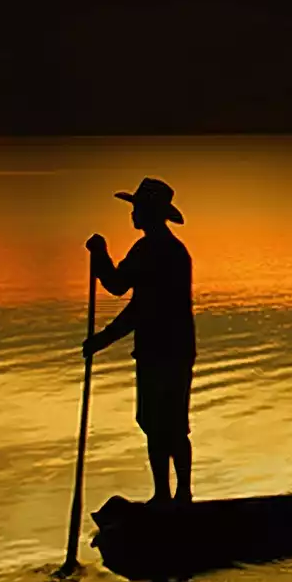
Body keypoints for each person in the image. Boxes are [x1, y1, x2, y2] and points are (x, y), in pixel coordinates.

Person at [84, 177, 197, 505]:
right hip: (155, 349)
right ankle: (165, 493)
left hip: (170, 350)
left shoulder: (166, 252)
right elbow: (121, 287)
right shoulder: (147, 248)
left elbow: (135, 302)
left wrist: (103, 339)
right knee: (152, 420)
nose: (132, 214)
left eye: (136, 208)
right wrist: (101, 257)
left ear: (150, 212)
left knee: (171, 422)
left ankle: (182, 494)